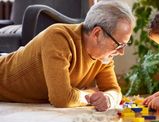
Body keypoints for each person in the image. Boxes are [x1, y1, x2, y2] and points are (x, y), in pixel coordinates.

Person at [0, 0, 135, 112]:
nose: (121, 52)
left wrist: (109, 98)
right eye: (118, 45)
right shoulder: (58, 37)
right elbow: (61, 98)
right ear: (97, 34)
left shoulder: (103, 57)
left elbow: (114, 90)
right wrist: (91, 94)